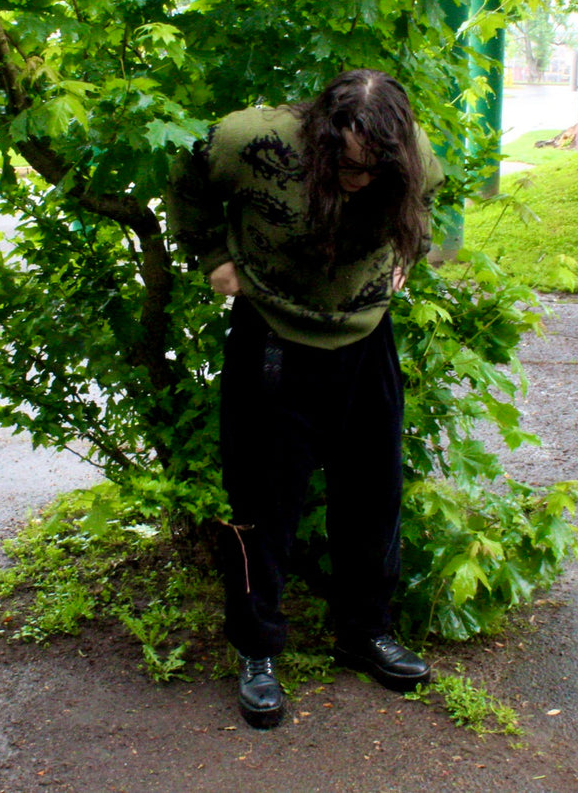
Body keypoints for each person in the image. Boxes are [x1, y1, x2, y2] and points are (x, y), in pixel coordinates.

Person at [167, 68, 444, 730]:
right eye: (348, 164)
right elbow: (184, 176)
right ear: (323, 134)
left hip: (365, 340)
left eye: (373, 169)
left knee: (373, 494)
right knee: (263, 503)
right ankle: (258, 651)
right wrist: (211, 255)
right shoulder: (251, 140)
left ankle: (363, 631)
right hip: (273, 338)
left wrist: (414, 246)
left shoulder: (407, 151)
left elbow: (430, 200)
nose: (359, 178)